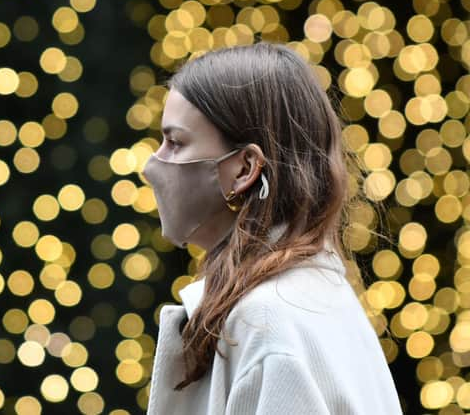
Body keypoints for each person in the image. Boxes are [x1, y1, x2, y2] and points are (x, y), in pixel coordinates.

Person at [140, 41, 404, 414]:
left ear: (245, 168)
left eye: (175, 142)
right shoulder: (314, 293)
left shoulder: (265, 319)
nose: (154, 165)